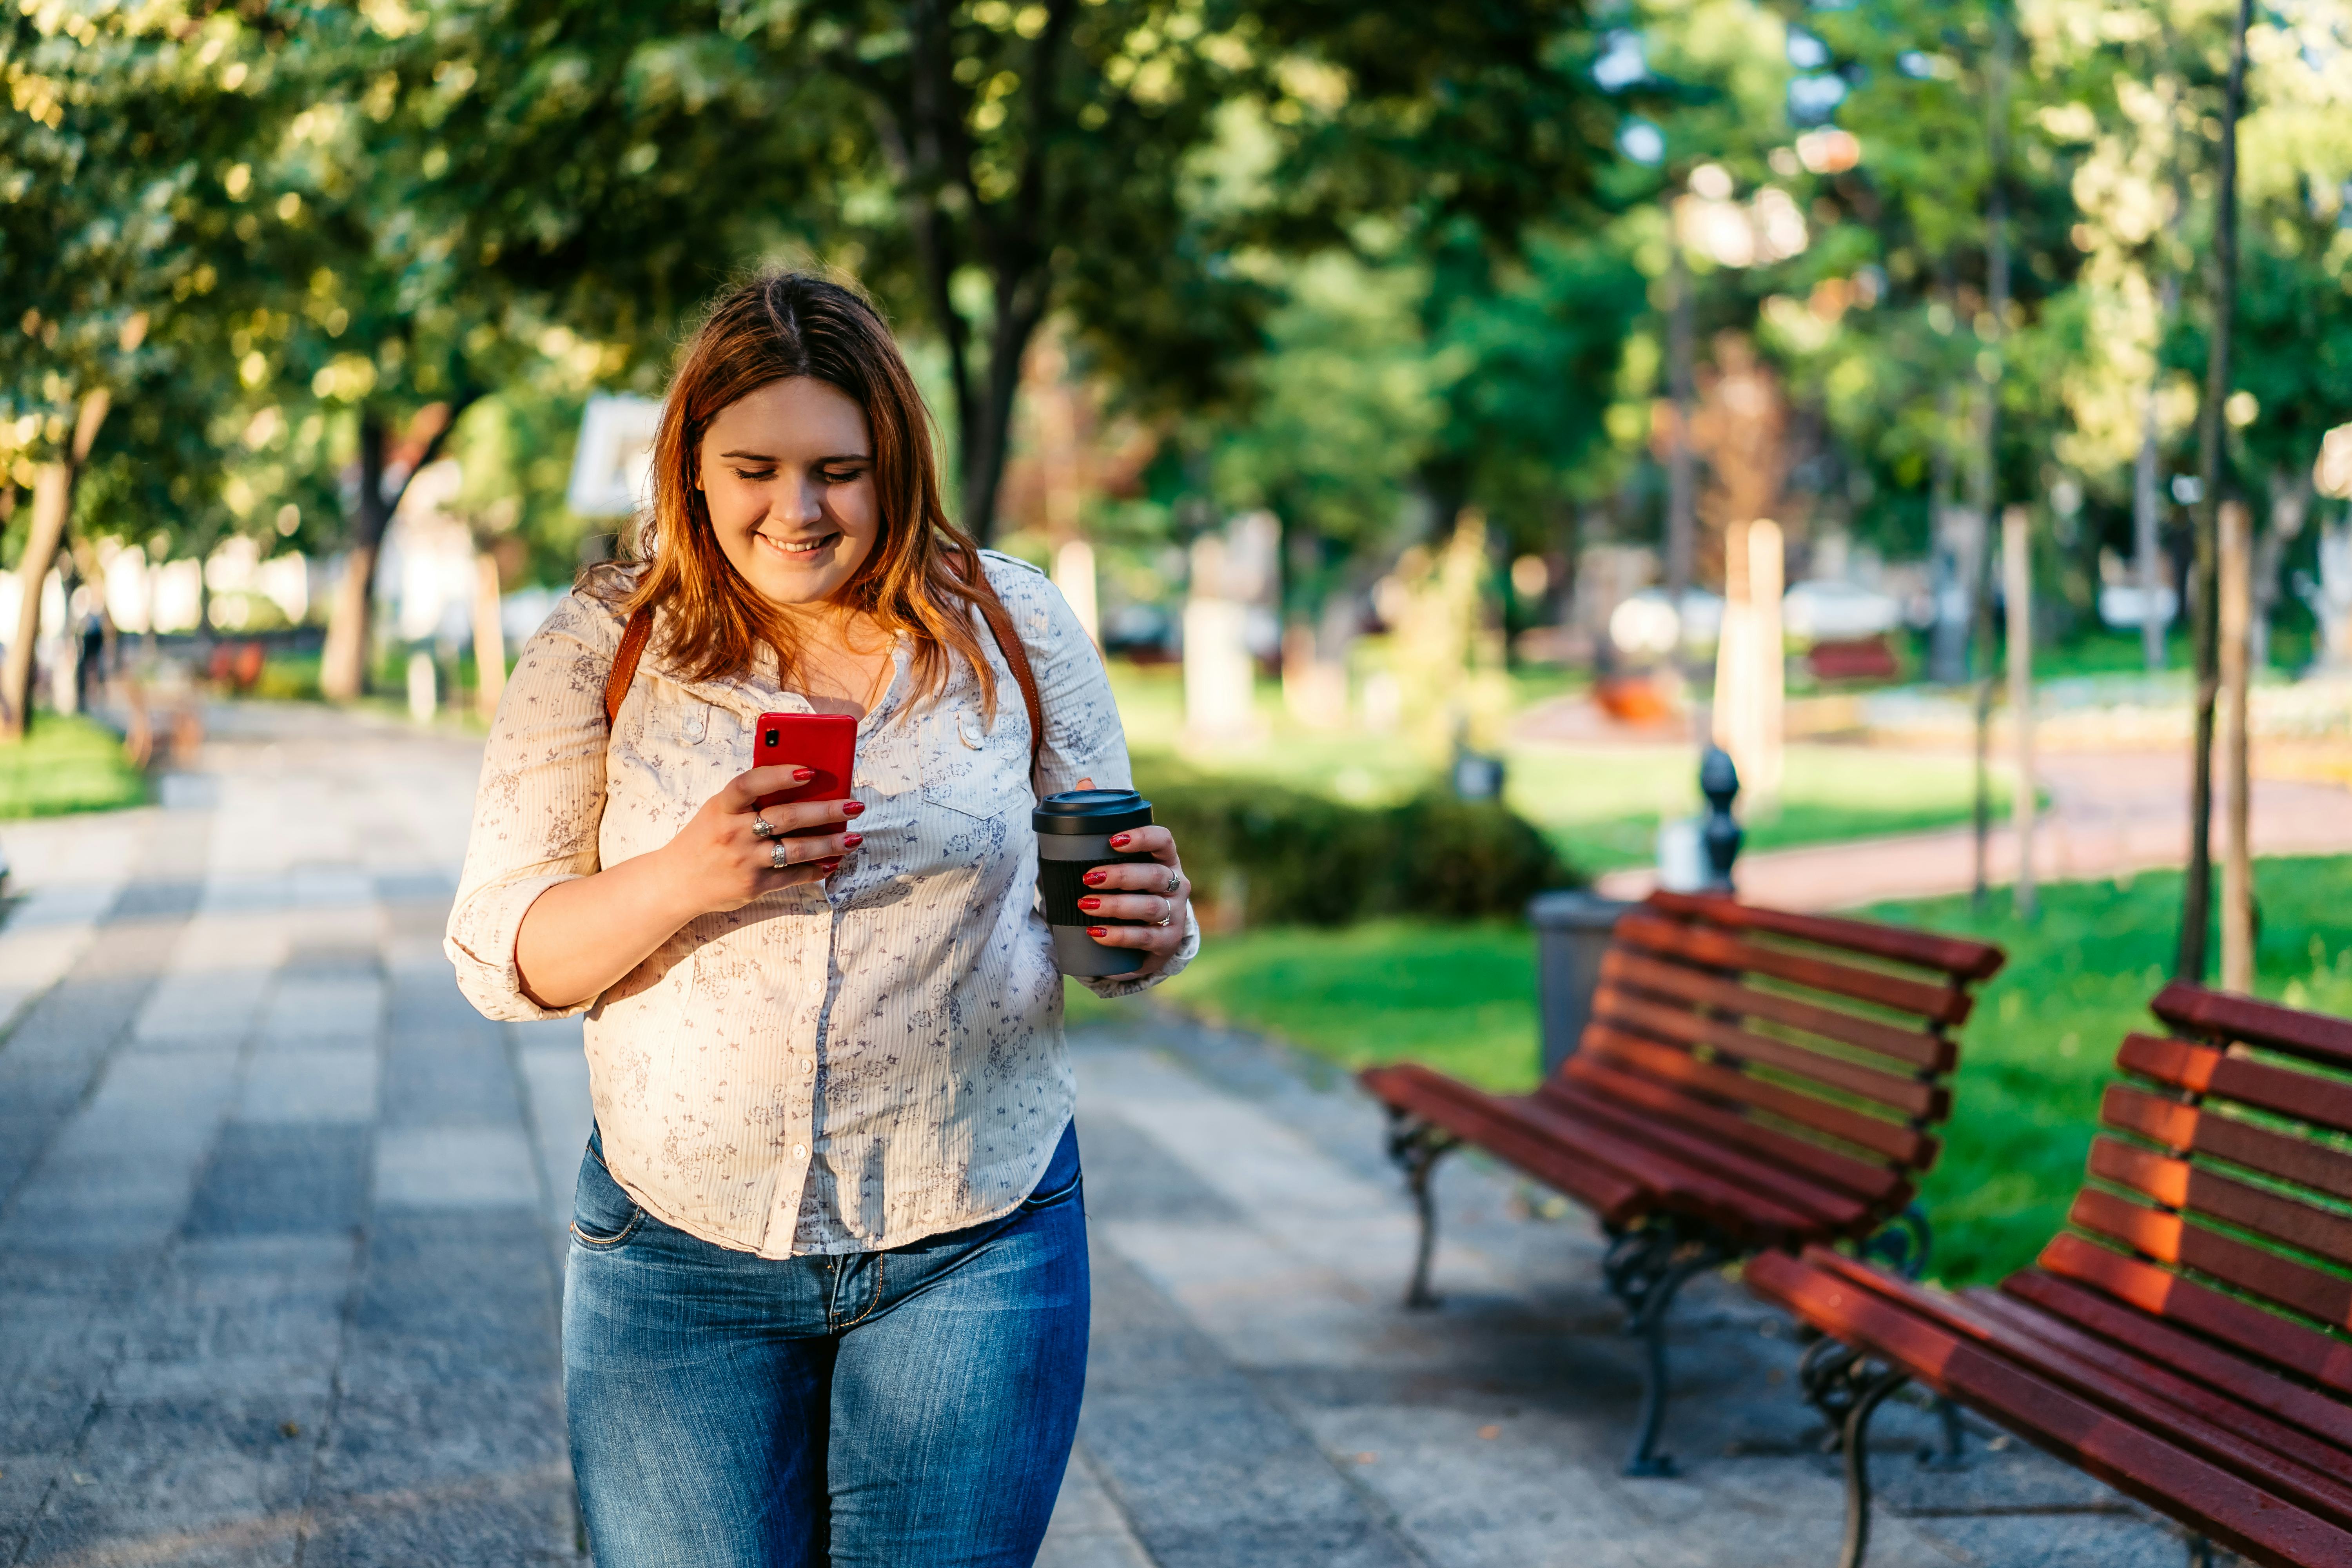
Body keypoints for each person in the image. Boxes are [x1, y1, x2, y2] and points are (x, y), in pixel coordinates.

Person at [443, 271, 1198, 1568]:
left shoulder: (1015, 624)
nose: (797, 511)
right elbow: (503, 957)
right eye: (756, 468)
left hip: (978, 1236)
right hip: (679, 1251)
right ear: (688, 468)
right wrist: (685, 874)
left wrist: (1152, 924)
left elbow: (1103, 912)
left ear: (895, 463)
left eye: (839, 471)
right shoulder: (603, 643)